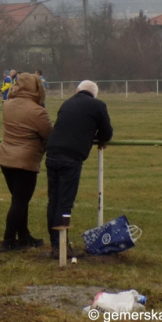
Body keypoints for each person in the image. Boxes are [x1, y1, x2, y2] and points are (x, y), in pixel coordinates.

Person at [45, 80, 112, 258]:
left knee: (53, 200)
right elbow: (107, 133)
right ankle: (61, 247)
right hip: (71, 157)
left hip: (51, 153)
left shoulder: (67, 103)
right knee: (65, 202)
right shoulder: (98, 106)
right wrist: (95, 136)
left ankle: (55, 243)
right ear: (94, 94)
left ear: (77, 91)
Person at [0, 73, 53, 251]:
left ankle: (23, 236)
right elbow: (49, 135)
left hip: (6, 158)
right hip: (25, 161)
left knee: (19, 200)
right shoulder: (37, 111)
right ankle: (8, 240)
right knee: (20, 202)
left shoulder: (7, 104)